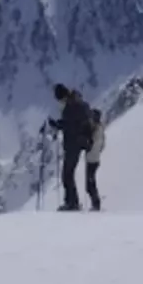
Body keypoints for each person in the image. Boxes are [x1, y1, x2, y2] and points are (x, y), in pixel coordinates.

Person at [48, 84, 97, 212]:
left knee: (67, 174)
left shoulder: (72, 106)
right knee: (68, 174)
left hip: (74, 144)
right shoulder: (78, 103)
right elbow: (72, 123)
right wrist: (60, 124)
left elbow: (70, 126)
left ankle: (72, 203)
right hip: (80, 143)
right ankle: (71, 202)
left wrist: (58, 125)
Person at [85, 107, 105, 206]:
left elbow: (90, 143)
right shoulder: (100, 128)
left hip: (91, 159)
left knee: (90, 184)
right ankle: (95, 203)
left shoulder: (95, 129)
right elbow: (102, 145)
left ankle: (96, 203)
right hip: (95, 158)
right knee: (91, 182)